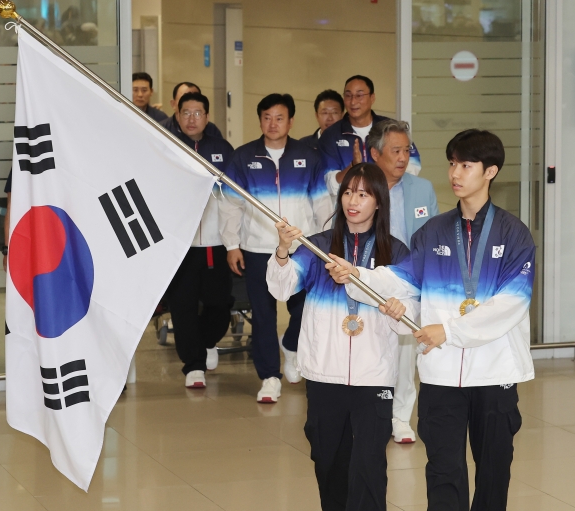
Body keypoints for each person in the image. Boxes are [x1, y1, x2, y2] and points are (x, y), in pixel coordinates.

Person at [328, 130, 535, 511]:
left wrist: (449, 331)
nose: (455, 173)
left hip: (495, 371)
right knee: (442, 470)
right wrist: (358, 275)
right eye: (453, 164)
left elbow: (511, 304)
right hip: (440, 375)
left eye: (466, 165)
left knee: (494, 470)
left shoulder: (515, 235)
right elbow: (401, 278)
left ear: (490, 171)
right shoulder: (434, 231)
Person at [267, 163, 417, 511]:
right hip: (324, 374)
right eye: (348, 191)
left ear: (379, 201)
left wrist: (399, 311)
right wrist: (283, 250)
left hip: (373, 377)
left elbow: (407, 316)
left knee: (369, 467)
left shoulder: (397, 253)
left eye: (363, 194)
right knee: (328, 462)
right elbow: (281, 286)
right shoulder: (318, 247)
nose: (353, 200)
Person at [218, 93, 333, 403]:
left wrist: (325, 243)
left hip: (303, 247)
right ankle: (269, 376)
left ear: (291, 121)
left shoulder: (310, 157)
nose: (273, 123)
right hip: (257, 247)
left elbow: (322, 203)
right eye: (267, 117)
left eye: (279, 118)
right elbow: (230, 205)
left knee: (304, 309)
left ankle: (292, 348)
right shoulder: (242, 158)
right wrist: (232, 244)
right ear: (260, 121)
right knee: (264, 314)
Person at [366, 119, 439, 443]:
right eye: (395, 150)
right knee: (371, 348)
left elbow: (432, 238)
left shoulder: (422, 188)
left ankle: (400, 417)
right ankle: (372, 415)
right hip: (369, 278)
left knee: (406, 350)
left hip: (409, 280)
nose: (402, 157)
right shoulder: (362, 185)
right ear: (375, 154)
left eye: (406, 150)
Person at [164, 92, 234, 388]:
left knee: (220, 305)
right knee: (183, 306)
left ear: (207, 117)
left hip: (217, 242)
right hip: (182, 244)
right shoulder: (166, 147)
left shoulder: (222, 149)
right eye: (186, 112)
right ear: (177, 115)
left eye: (198, 113)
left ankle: (206, 343)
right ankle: (193, 365)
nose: (192, 118)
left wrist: (233, 242)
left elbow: (234, 198)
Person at [319, 75, 422, 200]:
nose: (353, 101)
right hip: (350, 207)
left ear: (372, 98)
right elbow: (328, 184)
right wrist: (352, 167)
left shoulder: (390, 128)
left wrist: (381, 185)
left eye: (359, 95)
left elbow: (413, 166)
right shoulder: (331, 135)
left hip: (391, 202)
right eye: (348, 95)